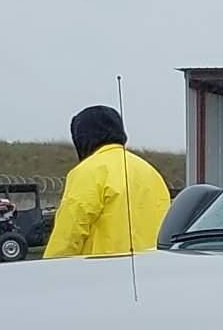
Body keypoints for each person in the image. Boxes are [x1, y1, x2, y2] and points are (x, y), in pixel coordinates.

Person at [43, 104, 172, 259]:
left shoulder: (88, 171)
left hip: (103, 274)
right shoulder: (151, 173)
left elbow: (69, 233)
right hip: (151, 271)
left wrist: (49, 271)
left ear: (83, 138)